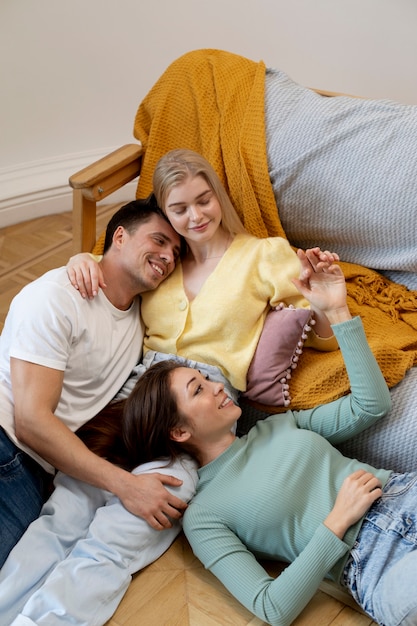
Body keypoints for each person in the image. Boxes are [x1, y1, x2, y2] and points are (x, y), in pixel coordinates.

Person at [107, 251, 416, 626]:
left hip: (401, 496)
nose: (217, 388)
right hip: (371, 560)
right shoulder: (203, 516)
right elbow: (271, 607)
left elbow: (370, 406)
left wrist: (336, 311)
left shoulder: (278, 426)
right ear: (179, 431)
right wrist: (335, 523)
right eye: (198, 390)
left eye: (207, 380)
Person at [0, 198, 191, 569]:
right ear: (119, 236)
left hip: (39, 472)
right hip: (7, 445)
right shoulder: (57, 297)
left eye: (175, 250)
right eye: (158, 240)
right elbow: (31, 421)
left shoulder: (144, 317)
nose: (168, 256)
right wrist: (126, 486)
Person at [67, 148, 338, 406]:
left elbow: (322, 336)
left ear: (218, 195)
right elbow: (116, 267)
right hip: (142, 386)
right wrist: (81, 259)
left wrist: (327, 305)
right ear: (165, 212)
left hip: (208, 396)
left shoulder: (263, 255)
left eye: (204, 200)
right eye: (180, 209)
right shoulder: (162, 263)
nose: (196, 216)